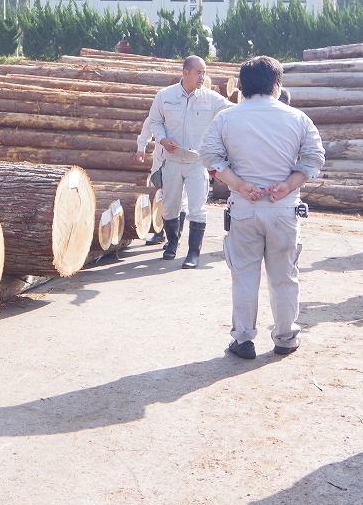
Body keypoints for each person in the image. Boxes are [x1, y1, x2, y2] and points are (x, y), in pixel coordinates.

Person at [200, 56, 325, 359]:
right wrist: (288, 184)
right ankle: (285, 337)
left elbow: (210, 157)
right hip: (283, 208)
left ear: (241, 86)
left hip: (243, 206)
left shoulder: (227, 118)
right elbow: (314, 159)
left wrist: (240, 184)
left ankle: (243, 339)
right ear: (277, 85)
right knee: (284, 276)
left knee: (244, 275)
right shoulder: (297, 118)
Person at [143, 56, 231, 268]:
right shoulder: (165, 96)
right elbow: (155, 121)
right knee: (170, 206)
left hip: (196, 162)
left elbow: (232, 111)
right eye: (198, 72)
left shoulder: (211, 99)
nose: (202, 76)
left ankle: (193, 253)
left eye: (204, 72)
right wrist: (162, 139)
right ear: (185, 72)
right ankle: (172, 243)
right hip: (171, 160)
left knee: (197, 207)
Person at [136, 116, 184, 247]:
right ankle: (158, 232)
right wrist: (141, 148)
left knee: (178, 200)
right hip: (159, 164)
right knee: (158, 197)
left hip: (180, 163)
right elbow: (147, 129)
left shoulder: (182, 116)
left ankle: (175, 238)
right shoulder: (155, 116)